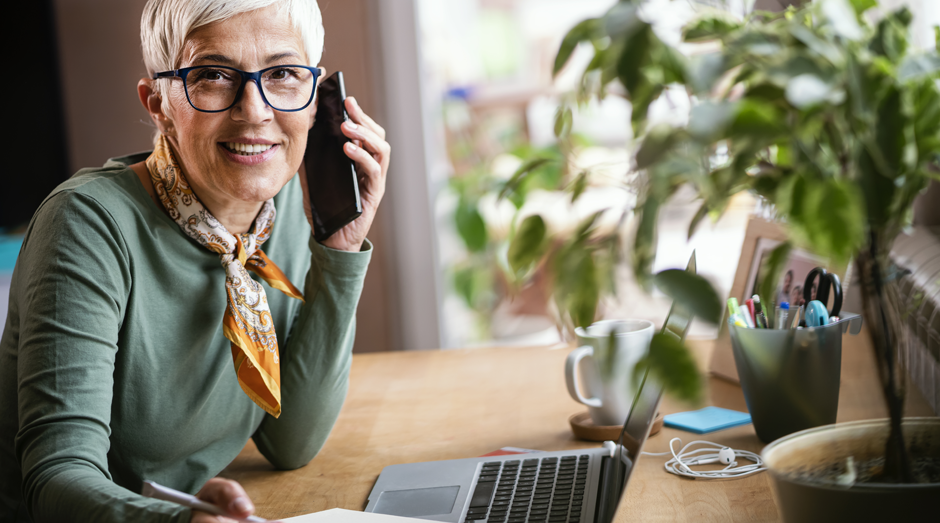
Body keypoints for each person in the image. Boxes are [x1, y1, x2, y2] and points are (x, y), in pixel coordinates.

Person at [0, 1, 390, 521]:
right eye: (212, 75)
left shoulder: (287, 212)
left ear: (316, 100)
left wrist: (337, 251)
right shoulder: (87, 225)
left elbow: (291, 440)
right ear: (158, 102)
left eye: (283, 74)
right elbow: (54, 478)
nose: (254, 110)